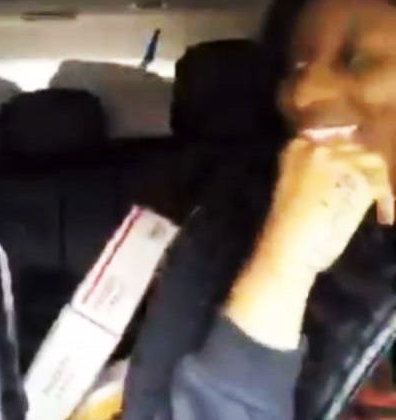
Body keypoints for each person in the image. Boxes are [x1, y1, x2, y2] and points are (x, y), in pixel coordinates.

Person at [123, 0, 396, 418]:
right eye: (296, 67)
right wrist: (282, 267)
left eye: (359, 62)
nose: (304, 94)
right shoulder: (224, 234)